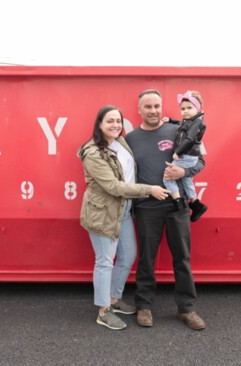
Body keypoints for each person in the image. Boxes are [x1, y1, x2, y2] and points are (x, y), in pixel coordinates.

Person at [78, 105, 170, 330]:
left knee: (128, 256)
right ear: (99, 124)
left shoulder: (121, 142)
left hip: (124, 209)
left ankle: (113, 299)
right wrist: (149, 189)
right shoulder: (93, 153)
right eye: (109, 121)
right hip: (104, 212)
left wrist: (168, 121)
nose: (115, 125)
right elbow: (113, 186)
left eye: (118, 121)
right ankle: (103, 311)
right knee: (105, 262)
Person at [125, 89, 206, 330]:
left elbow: (199, 161)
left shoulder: (178, 130)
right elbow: (127, 176)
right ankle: (144, 306)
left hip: (176, 206)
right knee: (146, 259)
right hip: (147, 208)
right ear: (139, 110)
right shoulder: (130, 139)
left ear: (162, 107)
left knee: (182, 259)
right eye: (147, 107)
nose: (153, 111)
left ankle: (187, 309)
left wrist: (184, 172)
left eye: (156, 106)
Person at [162, 90, 208, 222]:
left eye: (189, 108)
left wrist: (178, 152)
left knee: (168, 176)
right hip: (189, 156)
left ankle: (178, 202)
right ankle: (196, 204)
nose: (185, 111)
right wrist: (170, 120)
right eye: (183, 109)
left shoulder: (198, 123)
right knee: (186, 179)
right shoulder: (191, 121)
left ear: (197, 108)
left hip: (186, 156)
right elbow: (182, 125)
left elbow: (189, 139)